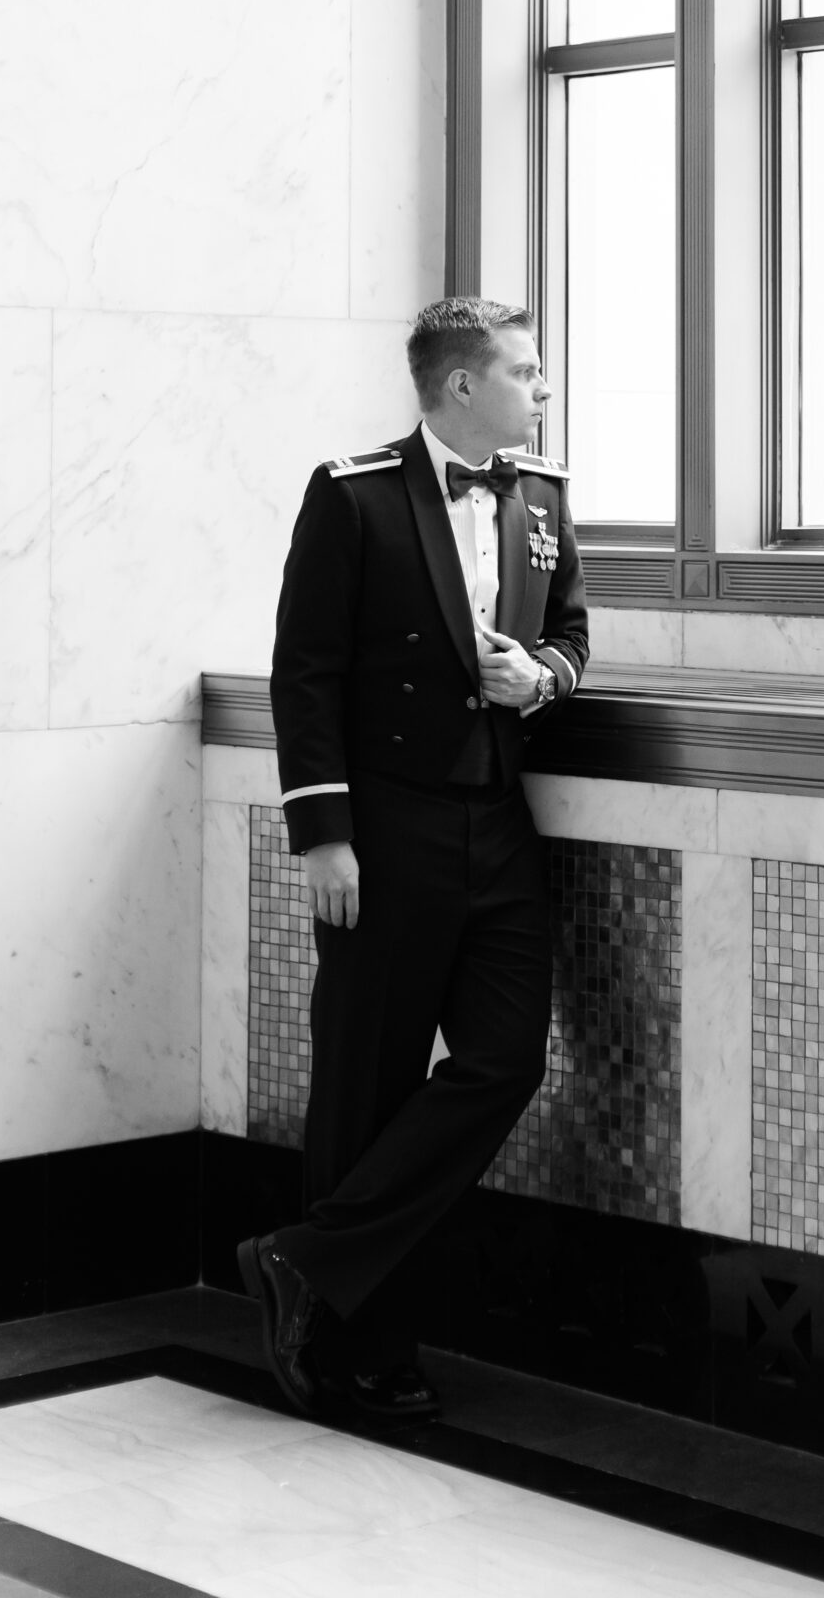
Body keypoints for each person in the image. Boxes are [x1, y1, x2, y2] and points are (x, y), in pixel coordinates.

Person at [236, 296, 588, 1426]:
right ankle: (357, 1349)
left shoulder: (541, 496)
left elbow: (573, 633)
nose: (542, 390)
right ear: (461, 385)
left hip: (499, 823)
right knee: (367, 1086)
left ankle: (302, 1259)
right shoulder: (354, 495)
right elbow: (304, 671)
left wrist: (540, 679)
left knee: (505, 1060)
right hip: (385, 833)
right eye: (526, 372)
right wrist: (324, 834)